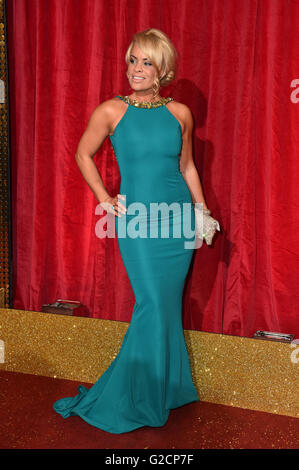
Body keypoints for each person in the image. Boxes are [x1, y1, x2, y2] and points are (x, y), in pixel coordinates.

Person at [53, 28, 219, 434]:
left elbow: (187, 167)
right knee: (151, 302)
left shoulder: (180, 113)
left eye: (146, 62)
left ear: (162, 69)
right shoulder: (111, 110)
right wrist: (105, 197)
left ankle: (168, 387)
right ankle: (136, 395)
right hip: (139, 221)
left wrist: (201, 211)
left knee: (166, 303)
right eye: (132, 60)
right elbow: (82, 153)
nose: (137, 69)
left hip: (177, 217)